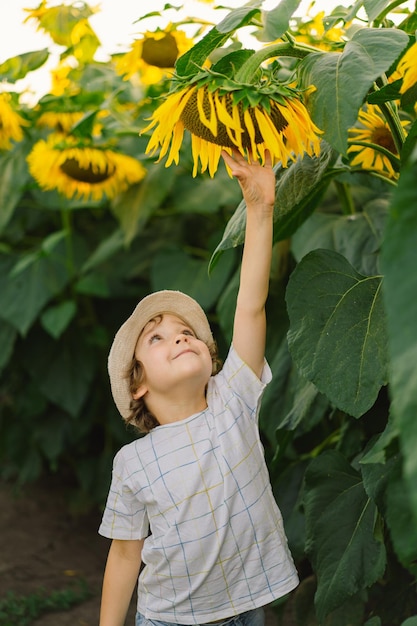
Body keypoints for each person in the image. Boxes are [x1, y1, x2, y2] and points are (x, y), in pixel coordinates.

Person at [98, 149, 299, 626]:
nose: (181, 336)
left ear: (211, 360)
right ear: (138, 385)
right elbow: (125, 555)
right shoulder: (133, 463)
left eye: (186, 331)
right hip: (170, 618)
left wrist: (259, 208)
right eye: (158, 338)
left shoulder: (233, 400)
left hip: (250, 608)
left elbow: (251, 306)